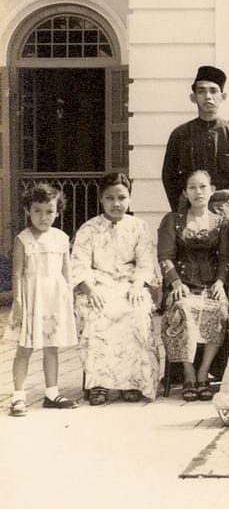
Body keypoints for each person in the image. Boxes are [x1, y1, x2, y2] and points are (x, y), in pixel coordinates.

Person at [71, 173, 161, 405]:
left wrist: (137, 285)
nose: (116, 203)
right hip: (97, 284)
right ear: (101, 200)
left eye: (122, 197)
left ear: (130, 198)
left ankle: (132, 382)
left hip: (129, 283)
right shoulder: (89, 228)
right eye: (110, 198)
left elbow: (145, 263)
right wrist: (90, 289)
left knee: (136, 311)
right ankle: (98, 384)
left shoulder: (139, 227)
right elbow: (79, 264)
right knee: (97, 312)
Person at [159, 169, 229, 402]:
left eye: (203, 187)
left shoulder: (221, 222)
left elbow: (225, 258)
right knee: (182, 309)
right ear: (185, 192)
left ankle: (203, 373)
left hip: (211, 285)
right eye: (192, 187)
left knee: (220, 309)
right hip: (184, 284)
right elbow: (165, 256)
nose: (198, 191)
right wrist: (175, 282)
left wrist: (221, 281)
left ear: (211, 191)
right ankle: (189, 373)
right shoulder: (173, 220)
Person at [8, 183, 78, 415]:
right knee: (24, 348)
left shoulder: (61, 238)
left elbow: (67, 273)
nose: (43, 216)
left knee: (51, 346)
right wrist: (18, 300)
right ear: (28, 210)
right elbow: (17, 273)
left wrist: (69, 298)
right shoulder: (23, 239)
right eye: (37, 210)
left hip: (53, 298)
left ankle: (52, 392)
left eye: (49, 211)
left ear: (58, 212)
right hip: (31, 298)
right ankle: (18, 396)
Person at [161, 65, 229, 221]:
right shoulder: (180, 135)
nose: (208, 96)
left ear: (223, 96)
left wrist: (228, 202)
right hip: (190, 210)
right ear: (193, 97)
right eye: (201, 91)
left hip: (224, 210)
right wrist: (180, 209)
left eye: (213, 91)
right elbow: (169, 176)